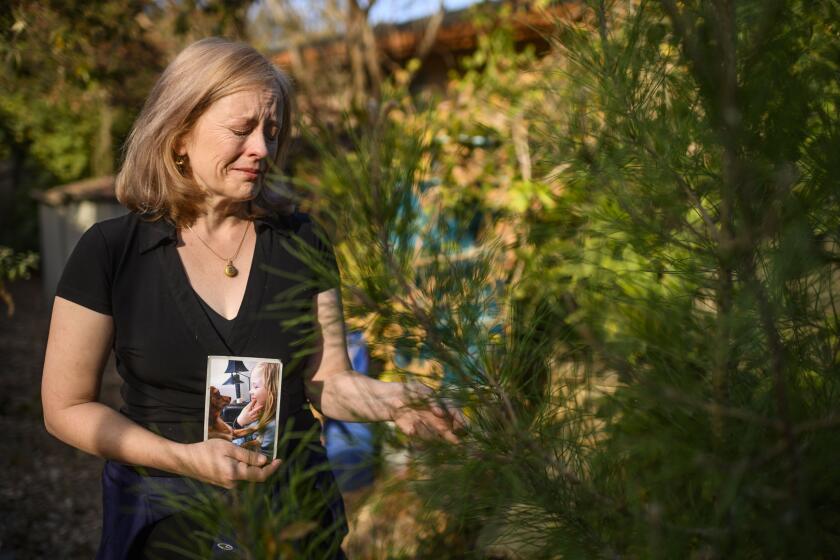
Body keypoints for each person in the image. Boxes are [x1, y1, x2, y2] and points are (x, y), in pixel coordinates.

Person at [40, 37, 463, 559]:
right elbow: (66, 407)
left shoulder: (301, 240)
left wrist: (396, 401)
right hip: (171, 517)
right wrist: (181, 457)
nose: (262, 148)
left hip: (296, 515)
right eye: (241, 130)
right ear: (178, 134)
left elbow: (325, 380)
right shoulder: (111, 251)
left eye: (272, 131)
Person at [231, 361, 280, 457]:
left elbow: (263, 457)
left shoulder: (273, 426)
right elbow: (238, 436)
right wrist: (239, 421)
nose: (250, 391)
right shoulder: (253, 413)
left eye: (256, 386)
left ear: (274, 392)